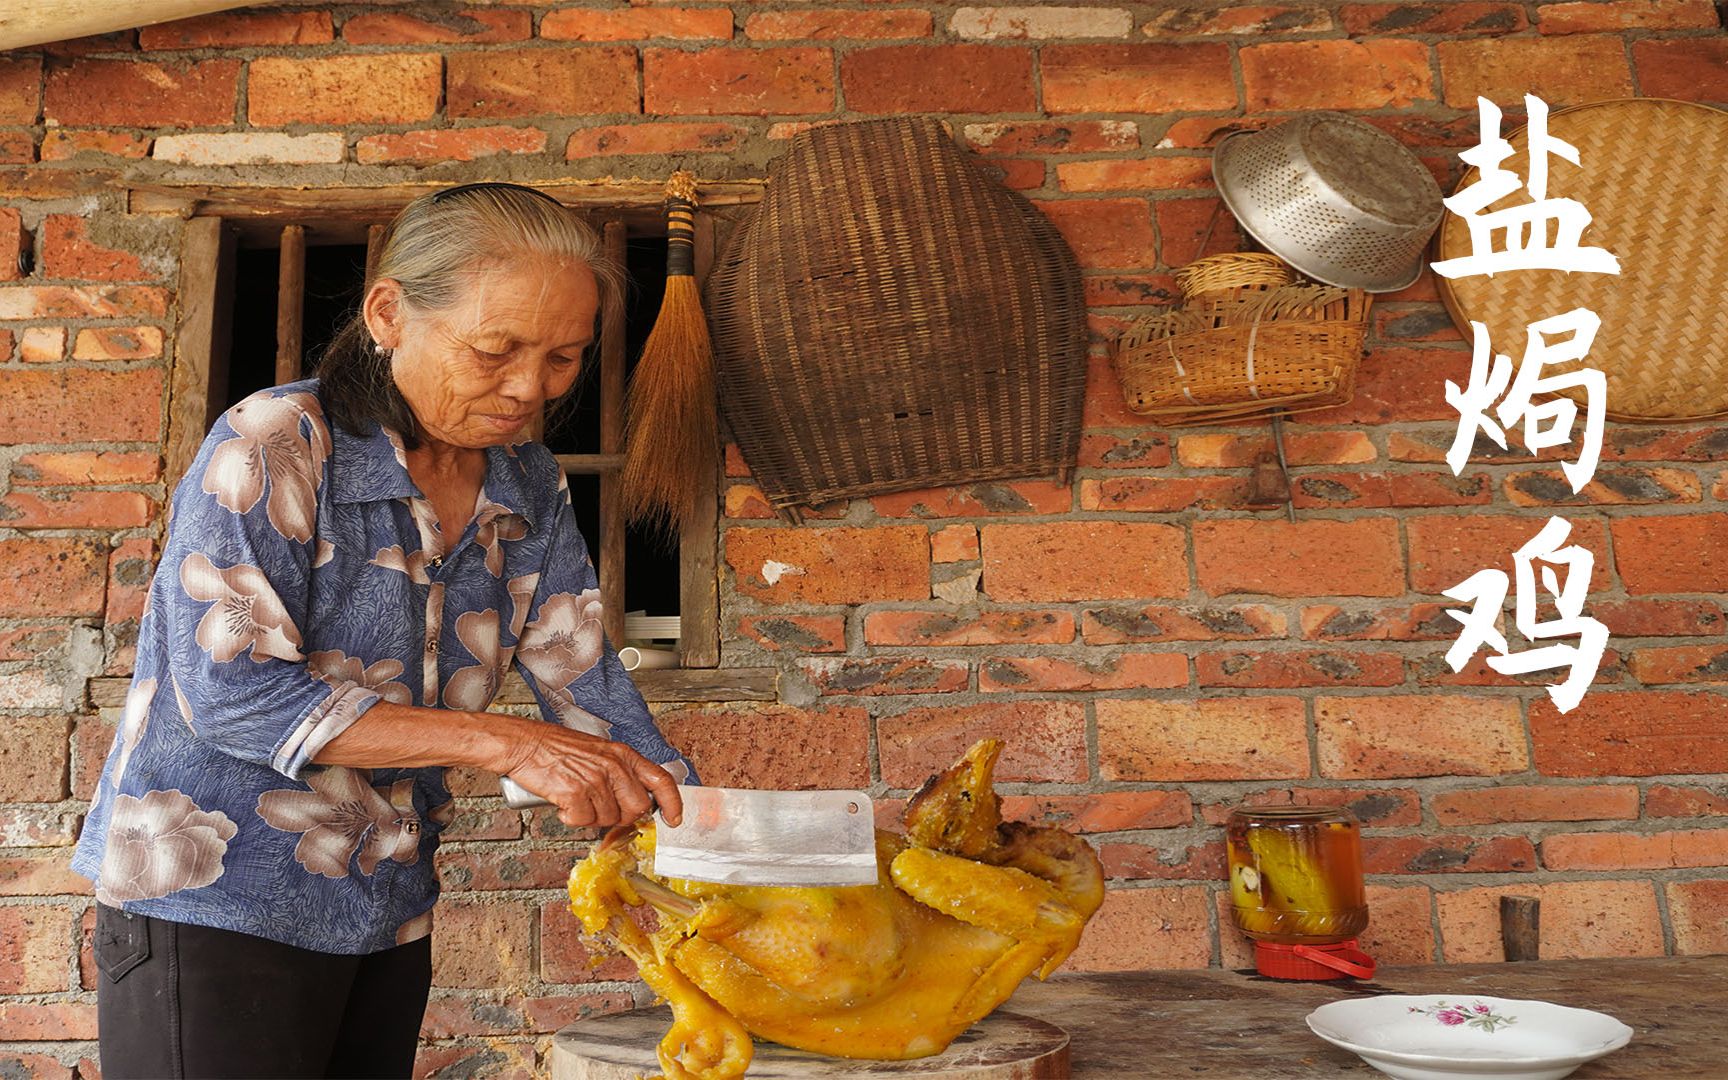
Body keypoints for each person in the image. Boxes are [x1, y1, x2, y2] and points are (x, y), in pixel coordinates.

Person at [72, 183, 693, 1079]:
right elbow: (234, 697)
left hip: (384, 904)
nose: (528, 388)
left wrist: (708, 836)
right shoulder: (278, 440)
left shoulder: (529, 481)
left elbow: (588, 683)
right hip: (212, 902)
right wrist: (507, 744)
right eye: (495, 349)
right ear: (389, 312)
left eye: (564, 358)